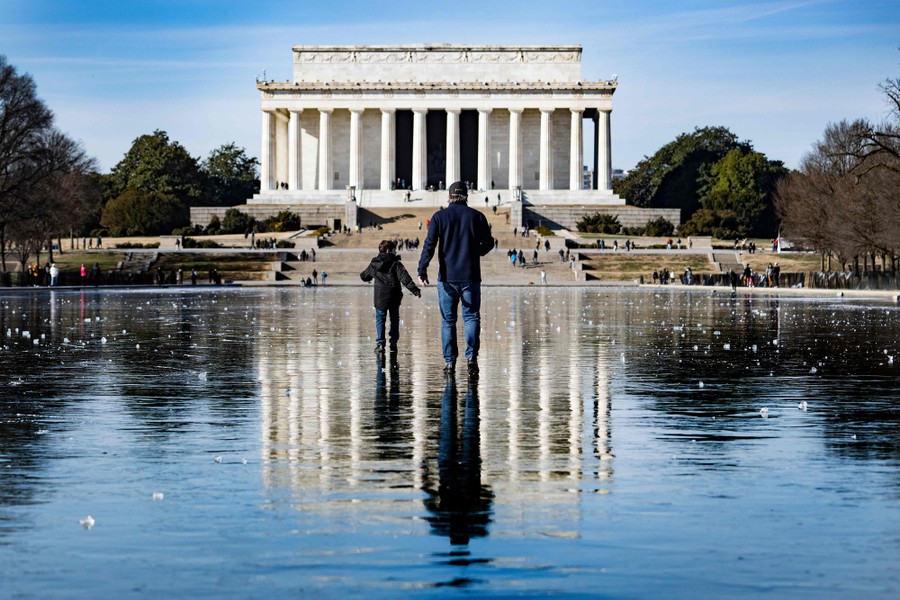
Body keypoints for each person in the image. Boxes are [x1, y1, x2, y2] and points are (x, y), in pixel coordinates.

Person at [418, 181, 494, 376]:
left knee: (448, 321)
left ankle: (450, 362)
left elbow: (429, 245)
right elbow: (489, 243)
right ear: (466, 196)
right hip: (470, 275)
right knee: (471, 317)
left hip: (447, 277)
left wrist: (422, 269)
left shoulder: (439, 217)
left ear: (449, 197)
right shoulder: (477, 216)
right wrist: (475, 252)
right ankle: (471, 358)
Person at [360, 240, 421, 353]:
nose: (395, 252)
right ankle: (393, 343)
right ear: (388, 250)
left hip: (380, 297)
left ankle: (380, 344)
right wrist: (415, 291)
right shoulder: (396, 263)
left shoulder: (375, 263)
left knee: (380, 319)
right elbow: (405, 278)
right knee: (394, 319)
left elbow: (365, 276)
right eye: (394, 250)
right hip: (394, 296)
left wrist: (364, 276)